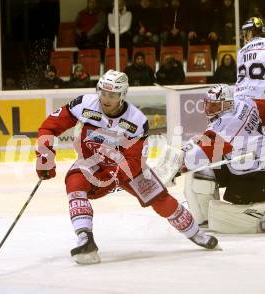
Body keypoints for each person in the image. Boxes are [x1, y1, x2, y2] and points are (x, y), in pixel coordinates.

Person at [35, 69, 219, 264]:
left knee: (160, 198)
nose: (106, 99)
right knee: (74, 183)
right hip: (92, 162)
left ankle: (196, 233)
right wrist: (44, 158)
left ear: (122, 95)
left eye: (112, 95)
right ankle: (85, 238)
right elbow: (48, 127)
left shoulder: (137, 120)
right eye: (103, 93)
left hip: (127, 168)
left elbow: (133, 162)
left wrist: (109, 179)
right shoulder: (83, 104)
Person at [163, 84, 265, 233]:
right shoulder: (245, 102)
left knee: (238, 212)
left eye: (214, 107)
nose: (209, 110)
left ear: (227, 105)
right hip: (241, 161)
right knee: (200, 174)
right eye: (208, 105)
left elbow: (198, 154)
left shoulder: (228, 123)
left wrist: (177, 166)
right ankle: (205, 220)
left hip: (258, 174)